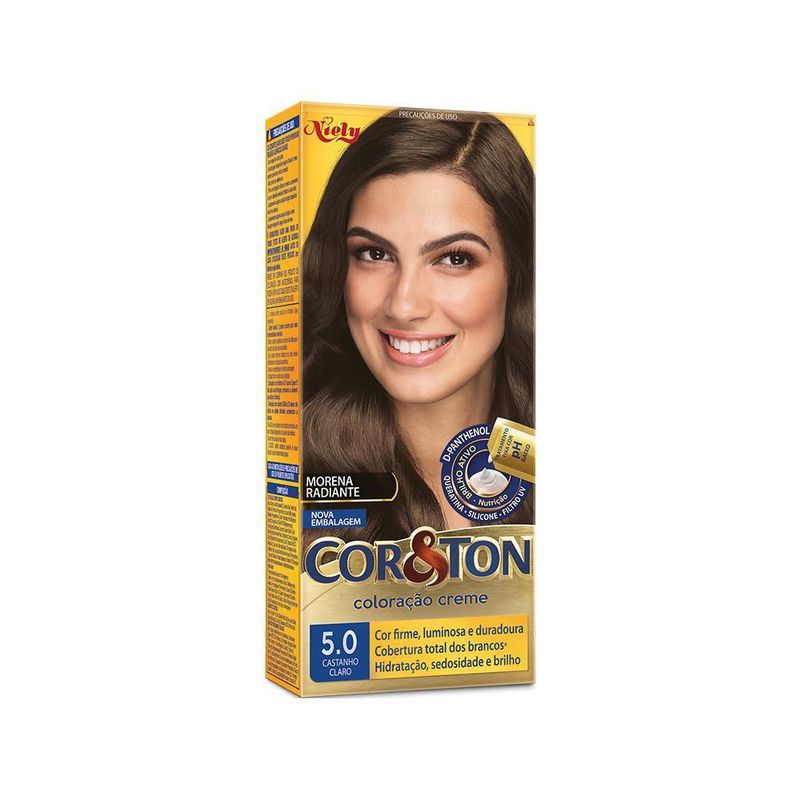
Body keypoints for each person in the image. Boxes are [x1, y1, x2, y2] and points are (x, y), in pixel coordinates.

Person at [302, 110, 534, 543]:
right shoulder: (300, 476)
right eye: (374, 254)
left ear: (518, 274)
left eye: (454, 258)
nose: (403, 305)